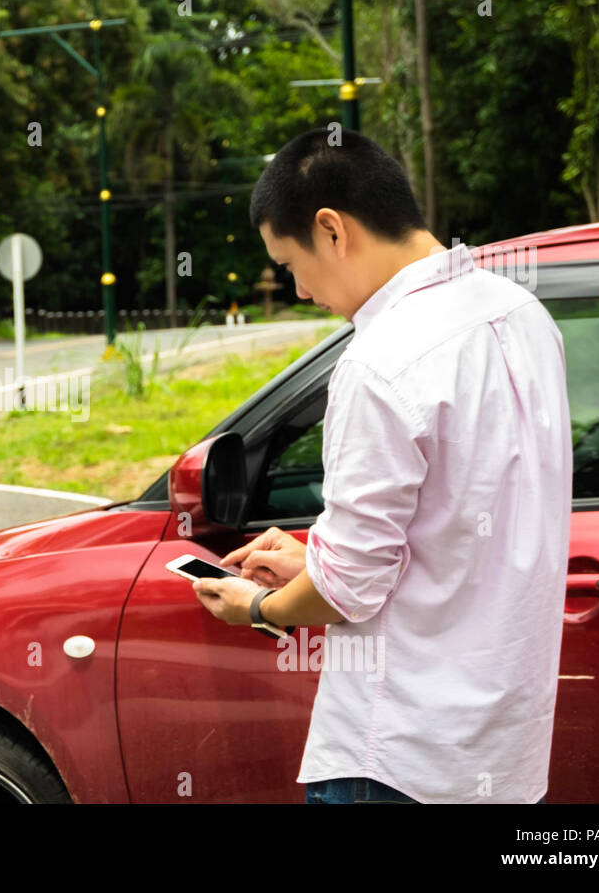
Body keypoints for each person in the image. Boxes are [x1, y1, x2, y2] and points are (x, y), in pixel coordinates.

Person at [192, 127, 569, 804]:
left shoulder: (380, 361)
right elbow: (454, 524)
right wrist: (320, 557)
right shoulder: (524, 315)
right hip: (503, 757)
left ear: (331, 230)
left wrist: (259, 609)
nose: (300, 290)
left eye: (289, 264)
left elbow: (350, 591)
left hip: (397, 757)